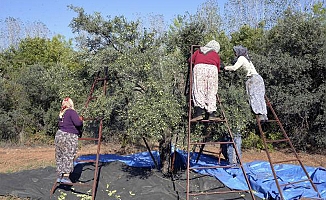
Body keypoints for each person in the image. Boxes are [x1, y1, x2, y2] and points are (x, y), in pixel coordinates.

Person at [224, 45, 268, 121]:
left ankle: (259, 114)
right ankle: (264, 115)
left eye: (235, 52)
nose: (234, 53)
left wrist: (225, 67)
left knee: (253, 96)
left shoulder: (241, 58)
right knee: (260, 97)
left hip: (252, 79)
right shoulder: (248, 59)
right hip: (258, 78)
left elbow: (234, 68)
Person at [189, 40, 221, 121]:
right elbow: (218, 66)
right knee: (211, 90)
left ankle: (198, 113)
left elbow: (190, 60)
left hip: (199, 68)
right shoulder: (215, 54)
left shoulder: (198, 51)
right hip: (212, 69)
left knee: (198, 89)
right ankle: (212, 114)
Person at [55, 97, 83, 184]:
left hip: (59, 135)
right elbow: (78, 123)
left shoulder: (62, 113)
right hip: (69, 136)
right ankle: (66, 176)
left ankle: (60, 175)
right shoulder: (71, 111)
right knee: (69, 154)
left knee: (60, 155)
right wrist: (81, 120)